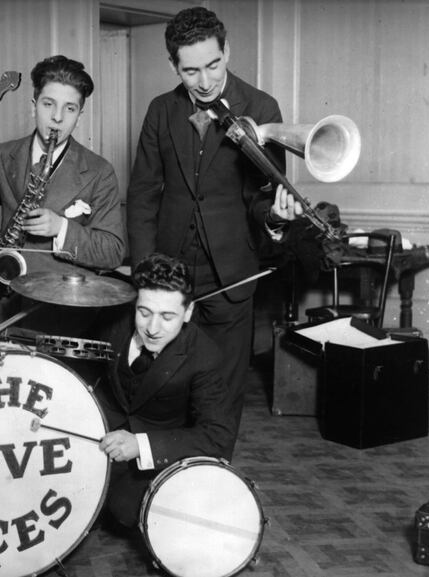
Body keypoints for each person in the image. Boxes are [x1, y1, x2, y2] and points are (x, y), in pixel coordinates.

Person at [126, 7, 301, 454]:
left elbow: (263, 194)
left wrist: (275, 217)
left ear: (227, 52)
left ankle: (213, 474)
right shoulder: (161, 111)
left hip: (231, 274)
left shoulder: (262, 108)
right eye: (190, 71)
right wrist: (146, 271)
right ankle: (163, 475)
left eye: (213, 65)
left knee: (221, 392)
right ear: (173, 66)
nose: (203, 81)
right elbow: (144, 193)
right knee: (165, 382)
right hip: (168, 274)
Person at [0, 55, 125, 336]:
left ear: (80, 116)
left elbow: (113, 251)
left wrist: (61, 229)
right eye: (48, 104)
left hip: (61, 317)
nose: (57, 118)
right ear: (33, 106)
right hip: (1, 309)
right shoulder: (2, 155)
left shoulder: (100, 172)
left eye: (70, 109)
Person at [96, 252, 234, 528]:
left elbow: (217, 436)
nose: (152, 328)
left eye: (167, 316)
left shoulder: (206, 356)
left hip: (157, 454)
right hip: (104, 436)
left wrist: (141, 445)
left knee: (123, 509)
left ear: (189, 312)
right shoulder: (113, 325)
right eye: (144, 312)